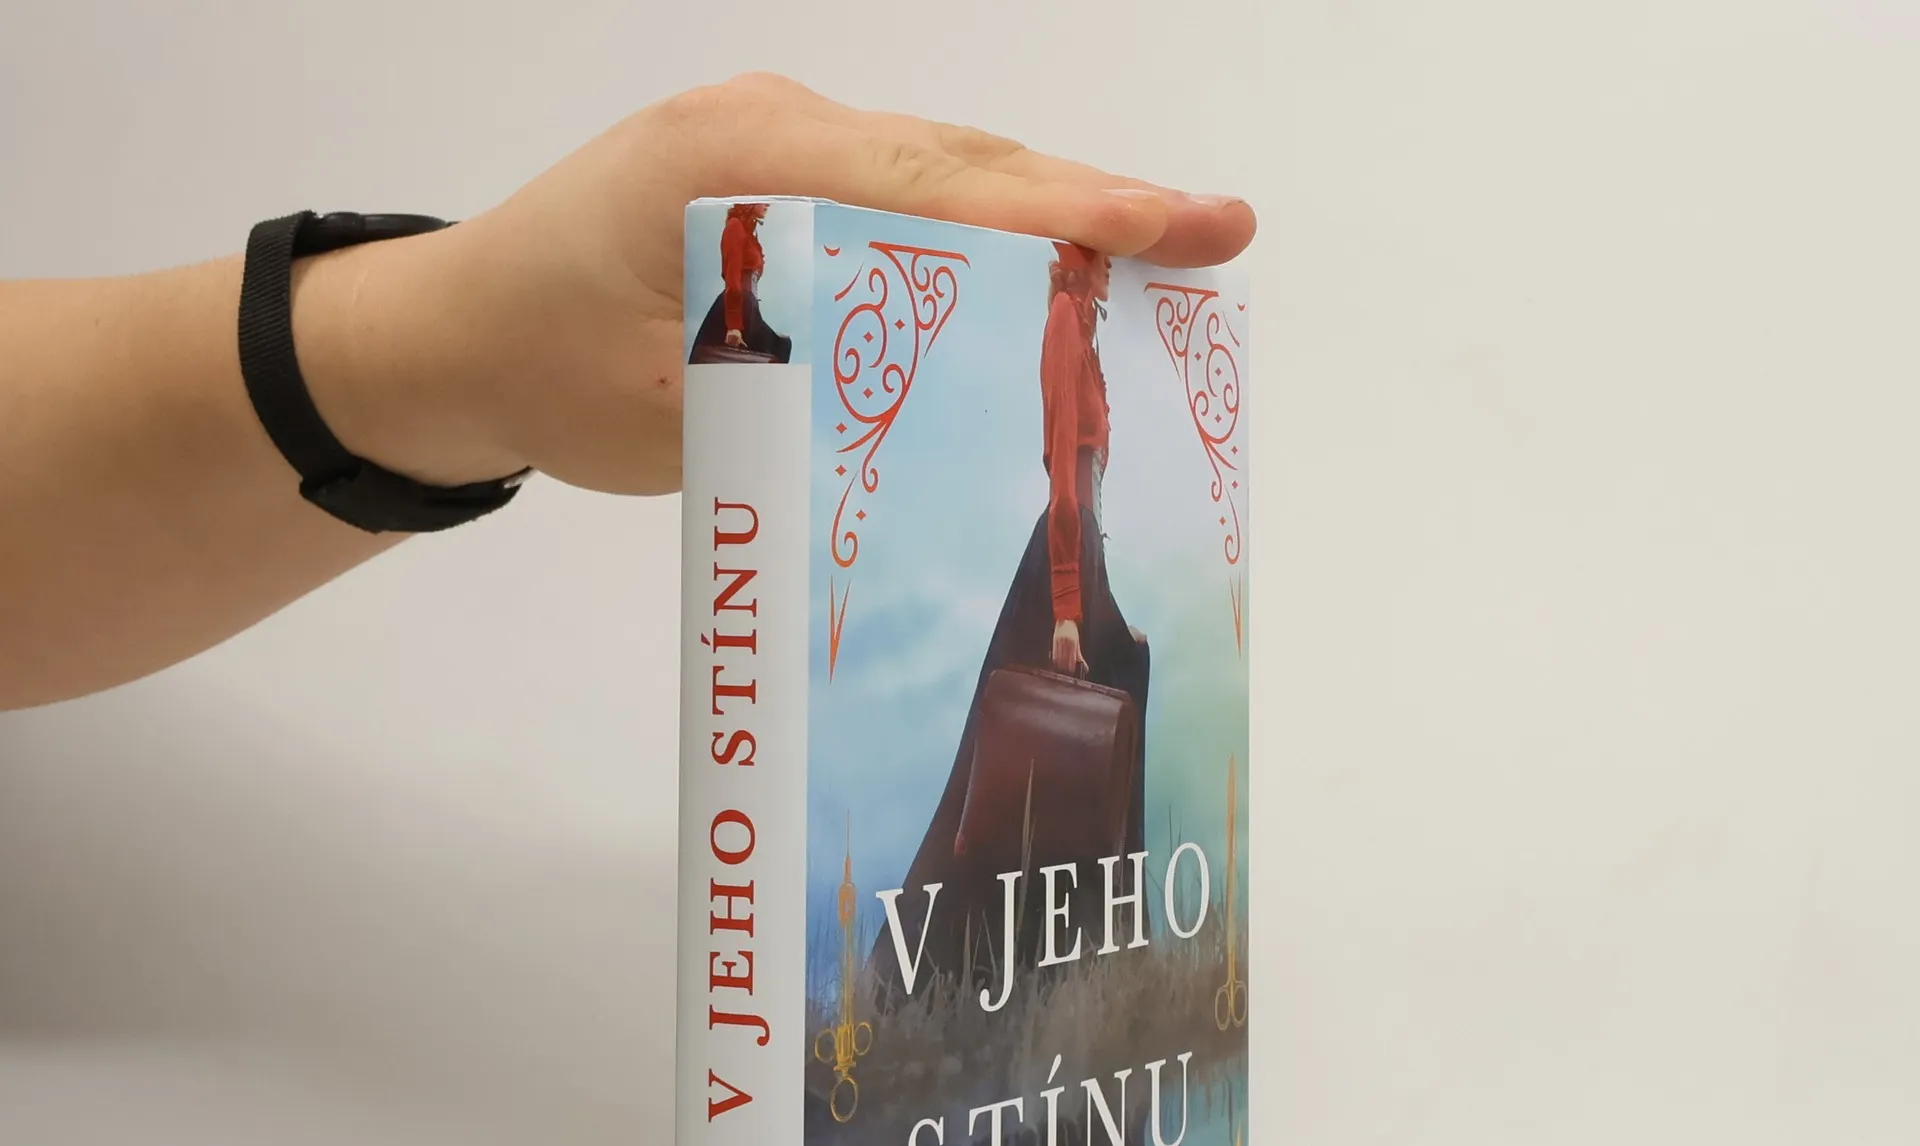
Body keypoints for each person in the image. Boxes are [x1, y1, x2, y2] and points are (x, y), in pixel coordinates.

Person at [0, 73, 1253, 713]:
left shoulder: (1078, 342)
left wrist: (462, 338)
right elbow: (1062, 481)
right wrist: (464, 334)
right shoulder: (1059, 353)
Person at [871, 240, 1148, 997]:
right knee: (1016, 768)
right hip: (1065, 556)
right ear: (1075, 260)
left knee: (1101, 711)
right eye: (1101, 254)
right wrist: (1069, 611)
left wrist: (1103, 605)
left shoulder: (1081, 328)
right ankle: (953, 980)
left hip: (1080, 554)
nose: (1113, 265)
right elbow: (1064, 479)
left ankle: (1074, 968)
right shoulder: (1063, 322)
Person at [688, 202, 792, 363]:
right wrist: (733, 325)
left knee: (782, 345)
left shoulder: (750, 235)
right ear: (749, 202)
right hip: (736, 306)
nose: (768, 204)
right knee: (779, 348)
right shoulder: (735, 227)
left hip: (750, 308)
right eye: (763, 200)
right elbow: (732, 278)